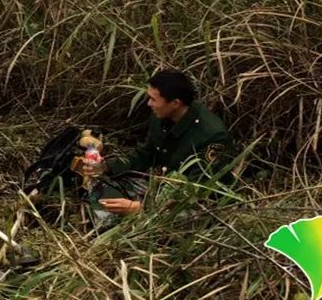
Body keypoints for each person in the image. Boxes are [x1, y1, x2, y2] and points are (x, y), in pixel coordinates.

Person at [86, 69, 232, 217]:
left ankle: (123, 220)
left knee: (182, 215)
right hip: (161, 186)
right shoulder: (161, 115)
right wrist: (107, 166)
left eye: (153, 99)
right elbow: (145, 154)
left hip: (196, 202)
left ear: (175, 103)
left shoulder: (212, 135)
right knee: (99, 181)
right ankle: (114, 218)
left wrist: (142, 208)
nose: (149, 103)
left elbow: (198, 188)